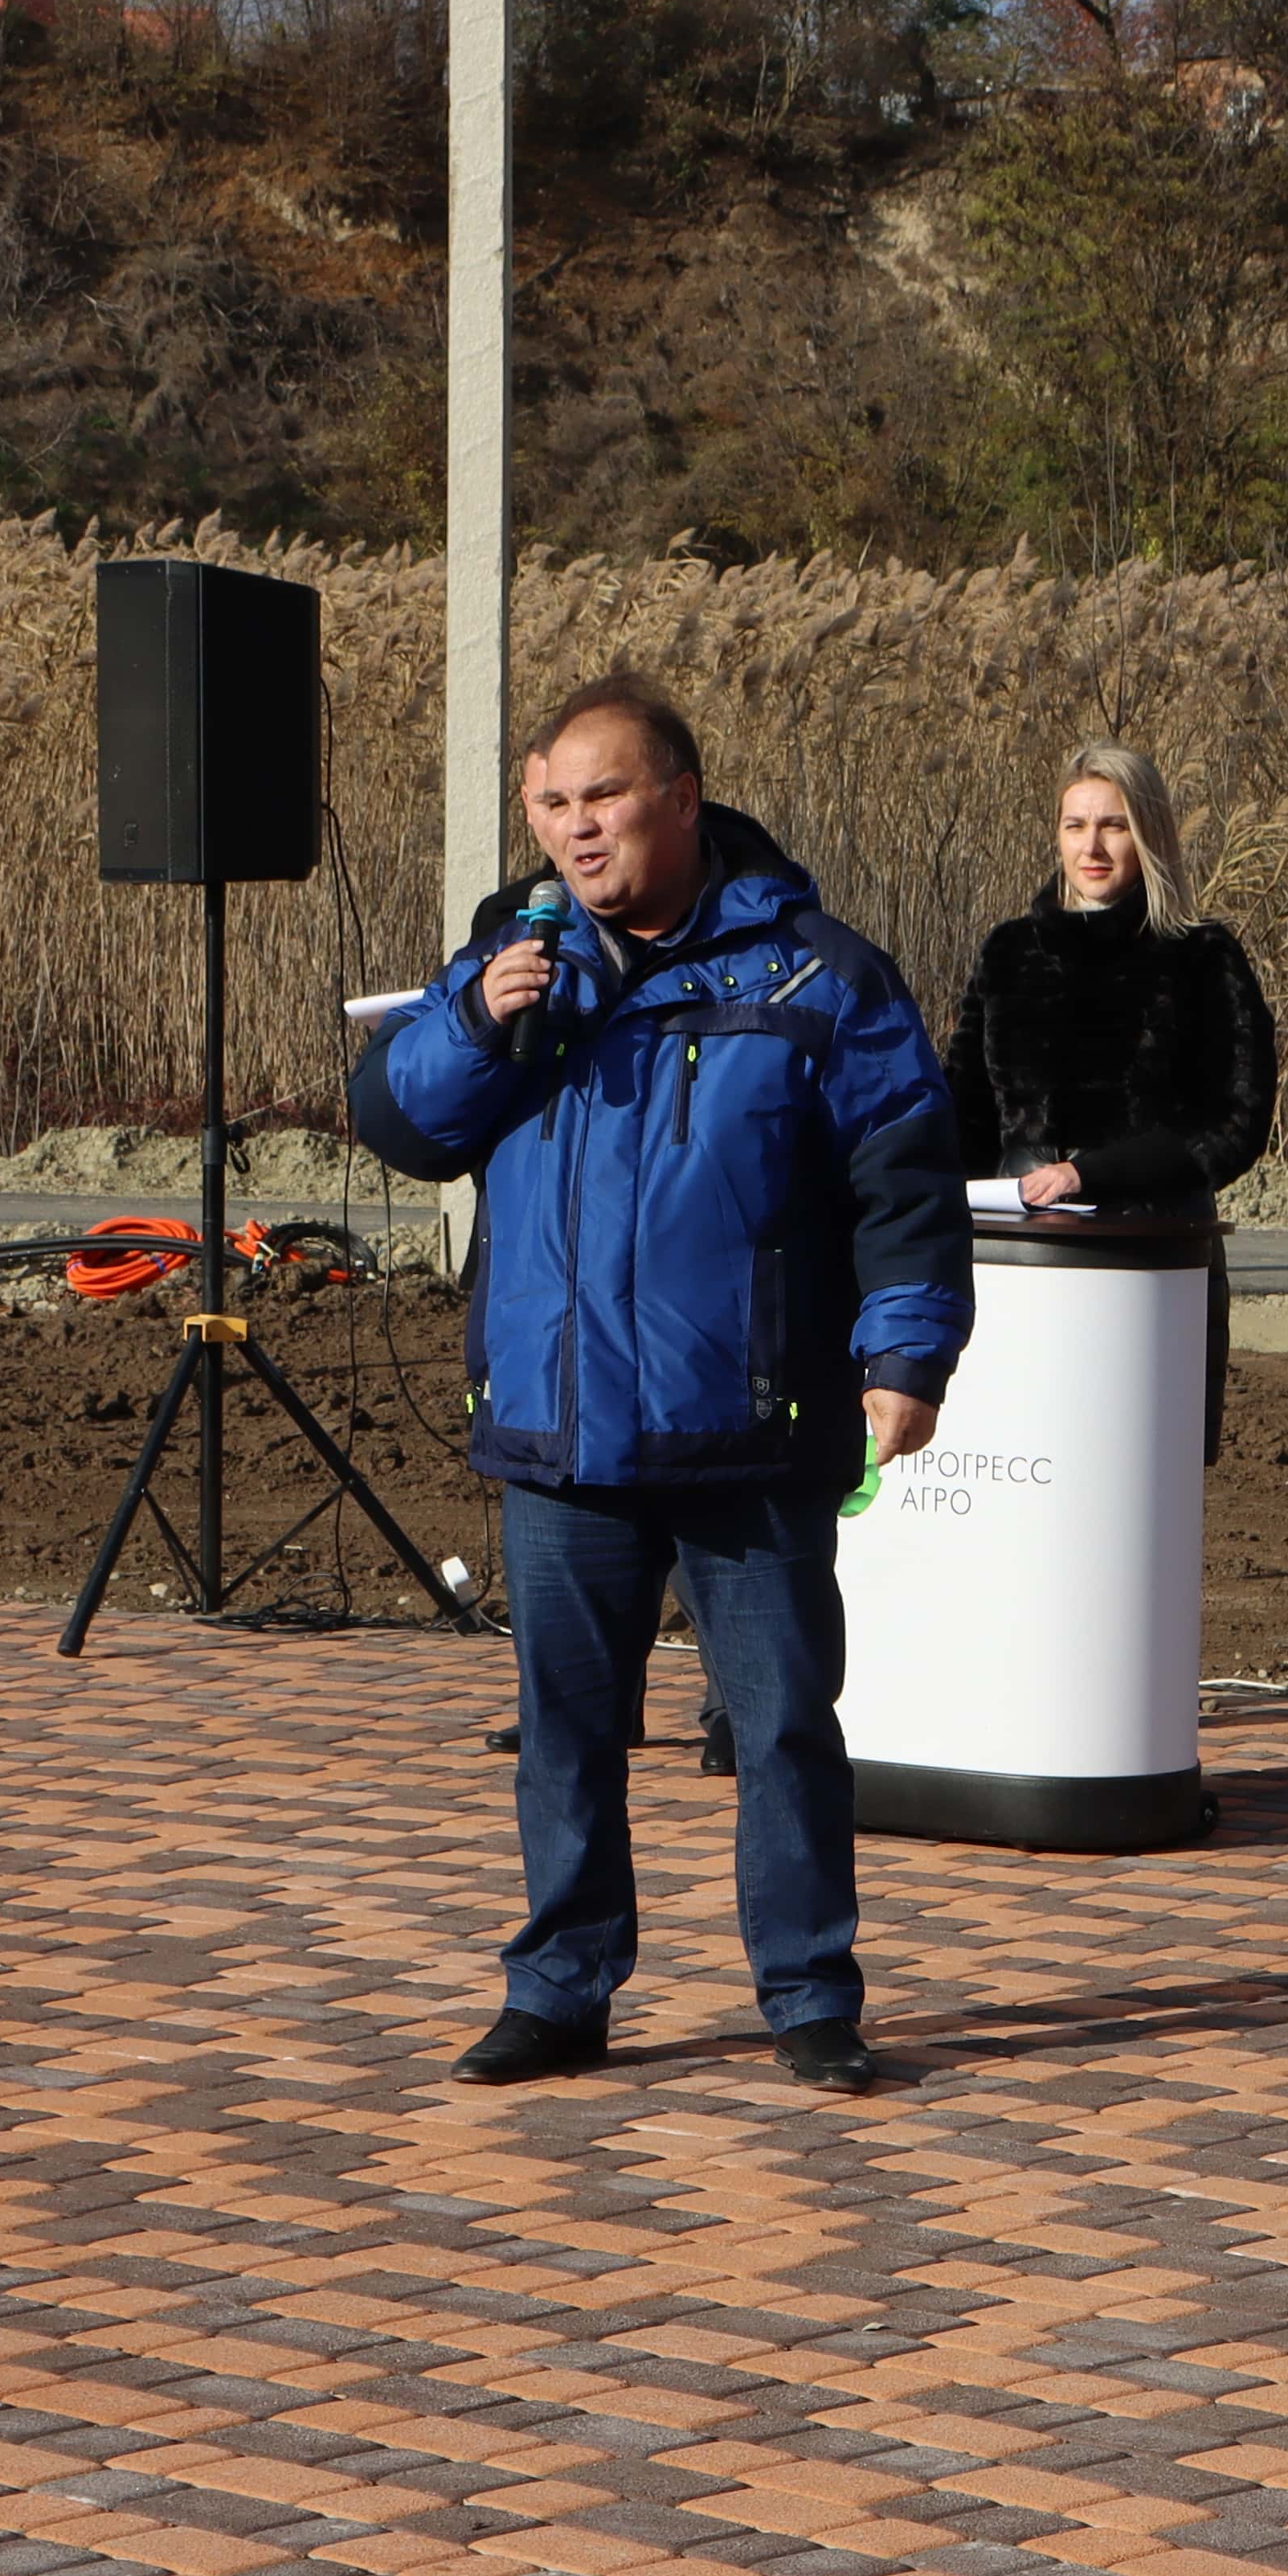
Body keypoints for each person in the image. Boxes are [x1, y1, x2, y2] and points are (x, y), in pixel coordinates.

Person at [357, 677, 974, 2095]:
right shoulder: (508, 962)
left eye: (606, 798)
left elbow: (904, 1180)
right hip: (560, 1429)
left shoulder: (818, 977)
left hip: (749, 1429)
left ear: (683, 800)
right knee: (568, 1737)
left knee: (782, 1728)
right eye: (552, 805)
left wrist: (906, 1356)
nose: (578, 831)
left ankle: (811, 1997)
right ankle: (560, 1993)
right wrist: (473, 1016)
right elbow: (400, 1125)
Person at [947, 744, 1278, 1454]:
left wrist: (1094, 1174)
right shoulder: (1007, 953)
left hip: (1151, 1257)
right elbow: (964, 1113)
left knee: (1129, 1482)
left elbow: (1237, 1122)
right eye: (1075, 825)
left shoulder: (1202, 957)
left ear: (1148, 833)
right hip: (1015, 1261)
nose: (1091, 846)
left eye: (1113, 825)